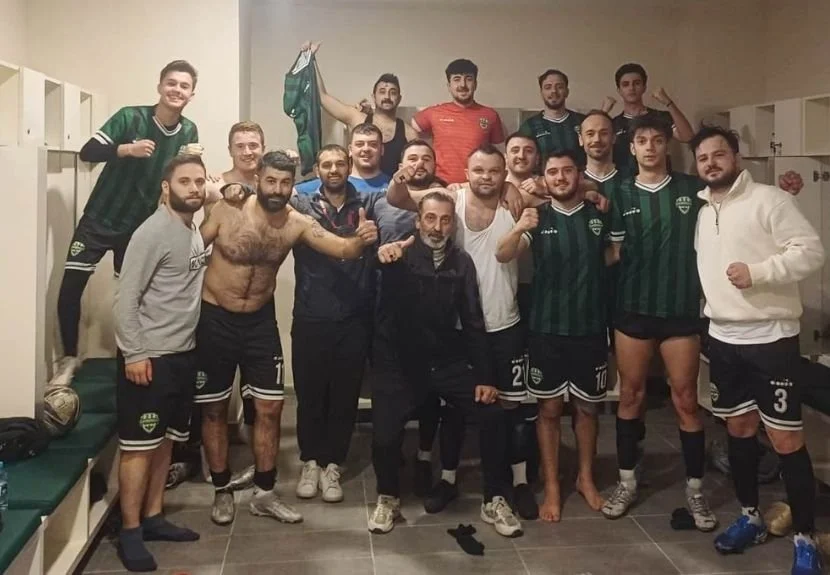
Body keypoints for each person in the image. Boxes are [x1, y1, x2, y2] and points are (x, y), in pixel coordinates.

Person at [195, 151, 378, 526]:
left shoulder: (297, 223)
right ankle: (222, 489)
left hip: (259, 322)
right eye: (270, 181)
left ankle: (264, 492)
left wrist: (361, 239)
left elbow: (342, 248)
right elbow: (191, 251)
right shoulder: (228, 210)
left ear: (294, 184)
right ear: (258, 179)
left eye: (285, 182)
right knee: (214, 408)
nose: (277, 189)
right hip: (215, 318)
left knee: (271, 407)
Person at [692, 126, 824, 574]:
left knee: (786, 439)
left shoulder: (770, 199)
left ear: (736, 157)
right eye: (703, 158)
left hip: (771, 339)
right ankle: (750, 516)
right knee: (739, 430)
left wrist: (760, 272)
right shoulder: (703, 211)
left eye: (718, 154)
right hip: (724, 339)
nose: (711, 163)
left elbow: (811, 252)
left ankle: (805, 538)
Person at [387, 144, 525, 524]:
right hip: (456, 332)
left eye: (494, 171)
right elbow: (401, 198)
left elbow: (550, 193)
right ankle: (446, 479)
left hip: (500, 324)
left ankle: (508, 488)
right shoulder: (453, 198)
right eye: (478, 170)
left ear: (504, 173)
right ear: (466, 173)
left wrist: (514, 188)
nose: (486, 177)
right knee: (452, 411)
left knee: (504, 411)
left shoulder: (514, 204)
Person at [52, 60, 201, 388]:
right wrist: (126, 149)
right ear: (160, 86)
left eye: (184, 86)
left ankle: (129, 357)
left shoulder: (189, 130)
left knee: (132, 295)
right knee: (71, 286)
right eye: (171, 83)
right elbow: (88, 152)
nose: (177, 90)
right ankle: (68, 359)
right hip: (100, 217)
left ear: (192, 94)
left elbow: (183, 175)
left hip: (139, 226)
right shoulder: (130, 117)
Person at [602, 115, 717, 532]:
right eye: (642, 141)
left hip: (679, 310)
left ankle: (695, 489)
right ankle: (627, 482)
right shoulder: (619, 191)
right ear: (631, 147)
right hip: (632, 309)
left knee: (685, 399)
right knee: (630, 396)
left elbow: (732, 202)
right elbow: (613, 250)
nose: (649, 147)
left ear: (667, 145)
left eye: (656, 140)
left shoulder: (692, 189)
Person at [497, 149, 612, 522]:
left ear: (579, 174)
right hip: (546, 329)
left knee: (587, 408)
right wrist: (519, 227)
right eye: (552, 172)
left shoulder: (597, 215)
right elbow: (503, 254)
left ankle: (585, 478)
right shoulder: (538, 217)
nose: (560, 177)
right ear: (543, 178)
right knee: (548, 410)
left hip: (590, 328)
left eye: (567, 171)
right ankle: (551, 487)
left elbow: (613, 255)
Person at [113, 154, 208, 572]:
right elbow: (125, 297)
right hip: (149, 357)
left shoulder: (191, 228)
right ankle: (130, 530)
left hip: (182, 354)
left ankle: (153, 516)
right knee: (138, 447)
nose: (194, 188)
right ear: (166, 188)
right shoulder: (151, 232)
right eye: (184, 181)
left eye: (199, 181)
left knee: (166, 440)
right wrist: (134, 352)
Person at [290, 144, 384, 504]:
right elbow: (264, 190)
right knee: (310, 394)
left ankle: (333, 464)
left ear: (349, 166)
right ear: (317, 169)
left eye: (339, 164)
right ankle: (310, 461)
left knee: (345, 395)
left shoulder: (367, 202)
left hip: (354, 315)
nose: (333, 170)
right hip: (311, 314)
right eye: (326, 164)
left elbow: (400, 198)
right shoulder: (302, 204)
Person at [301, 41, 417, 177]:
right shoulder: (357, 118)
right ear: (373, 97)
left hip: (390, 189)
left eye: (393, 92)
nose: (387, 96)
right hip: (354, 187)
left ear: (399, 98)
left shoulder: (409, 134)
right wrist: (311, 58)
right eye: (382, 91)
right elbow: (323, 98)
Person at [411, 59, 505, 184]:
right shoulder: (434, 113)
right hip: (440, 185)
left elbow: (501, 155)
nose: (463, 85)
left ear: (475, 84)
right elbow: (411, 128)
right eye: (456, 79)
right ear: (449, 86)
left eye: (468, 79)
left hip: (477, 186)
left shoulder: (490, 115)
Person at [609, 63, 693, 174]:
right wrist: (603, 112)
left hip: (660, 179)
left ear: (644, 87)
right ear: (619, 90)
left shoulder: (660, 117)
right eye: (625, 84)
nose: (631, 88)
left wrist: (668, 102)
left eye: (637, 83)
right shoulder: (613, 124)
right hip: (624, 181)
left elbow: (687, 137)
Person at [295, 123, 391, 194]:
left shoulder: (393, 186)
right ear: (350, 150)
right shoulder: (332, 180)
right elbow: (290, 193)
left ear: (382, 149)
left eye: (373, 144)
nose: (366, 149)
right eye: (359, 144)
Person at [518, 69, 586, 163]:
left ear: (567, 92)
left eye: (559, 87)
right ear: (541, 93)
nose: (554, 91)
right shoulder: (529, 126)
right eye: (548, 87)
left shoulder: (583, 122)